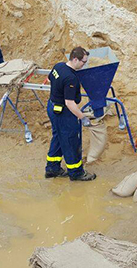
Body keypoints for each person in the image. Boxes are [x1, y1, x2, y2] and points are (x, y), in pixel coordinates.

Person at [44, 46, 96, 182]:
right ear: (75, 59)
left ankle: (52, 168)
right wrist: (83, 118)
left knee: (58, 136)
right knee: (71, 140)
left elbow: (49, 79)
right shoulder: (71, 78)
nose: (84, 65)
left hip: (52, 107)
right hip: (63, 112)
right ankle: (76, 172)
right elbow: (70, 103)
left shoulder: (59, 66)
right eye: (83, 62)